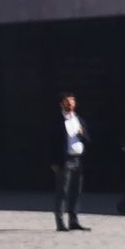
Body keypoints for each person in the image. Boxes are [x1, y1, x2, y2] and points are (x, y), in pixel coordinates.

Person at [55, 94, 89, 232]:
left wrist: (82, 133)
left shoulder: (79, 119)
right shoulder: (57, 121)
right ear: (61, 104)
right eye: (67, 103)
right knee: (62, 192)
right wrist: (53, 162)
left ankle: (73, 220)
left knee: (76, 191)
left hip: (77, 159)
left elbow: (88, 139)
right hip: (64, 160)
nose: (70, 105)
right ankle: (60, 222)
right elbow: (50, 142)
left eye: (72, 103)